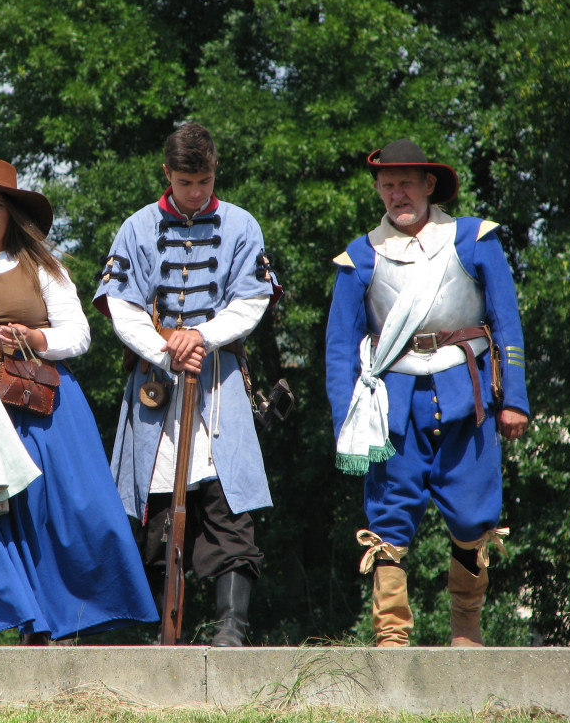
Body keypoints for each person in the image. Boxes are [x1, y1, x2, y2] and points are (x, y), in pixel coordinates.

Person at [0, 158, 158, 646]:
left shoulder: (45, 267)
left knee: (57, 504)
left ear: (11, 212)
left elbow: (79, 334)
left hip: (35, 397)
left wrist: (36, 336)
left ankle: (46, 623)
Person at [325, 138, 530, 647]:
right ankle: (391, 634)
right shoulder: (358, 258)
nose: (397, 195)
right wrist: (344, 423)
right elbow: (339, 350)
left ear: (428, 186)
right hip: (392, 405)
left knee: (473, 513)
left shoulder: (474, 239)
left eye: (406, 184)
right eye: (387, 185)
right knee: (389, 515)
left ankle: (466, 628)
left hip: (470, 394)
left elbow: (507, 325)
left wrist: (516, 400)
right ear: (378, 190)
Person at [93, 123, 277, 646]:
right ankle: (155, 631)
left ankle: (231, 629)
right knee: (151, 516)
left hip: (219, 387)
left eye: (204, 180)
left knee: (229, 506)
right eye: (185, 182)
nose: (195, 192)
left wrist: (201, 339)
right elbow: (122, 307)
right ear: (167, 175)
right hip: (155, 391)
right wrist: (167, 349)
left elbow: (252, 300)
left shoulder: (242, 226)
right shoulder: (135, 228)